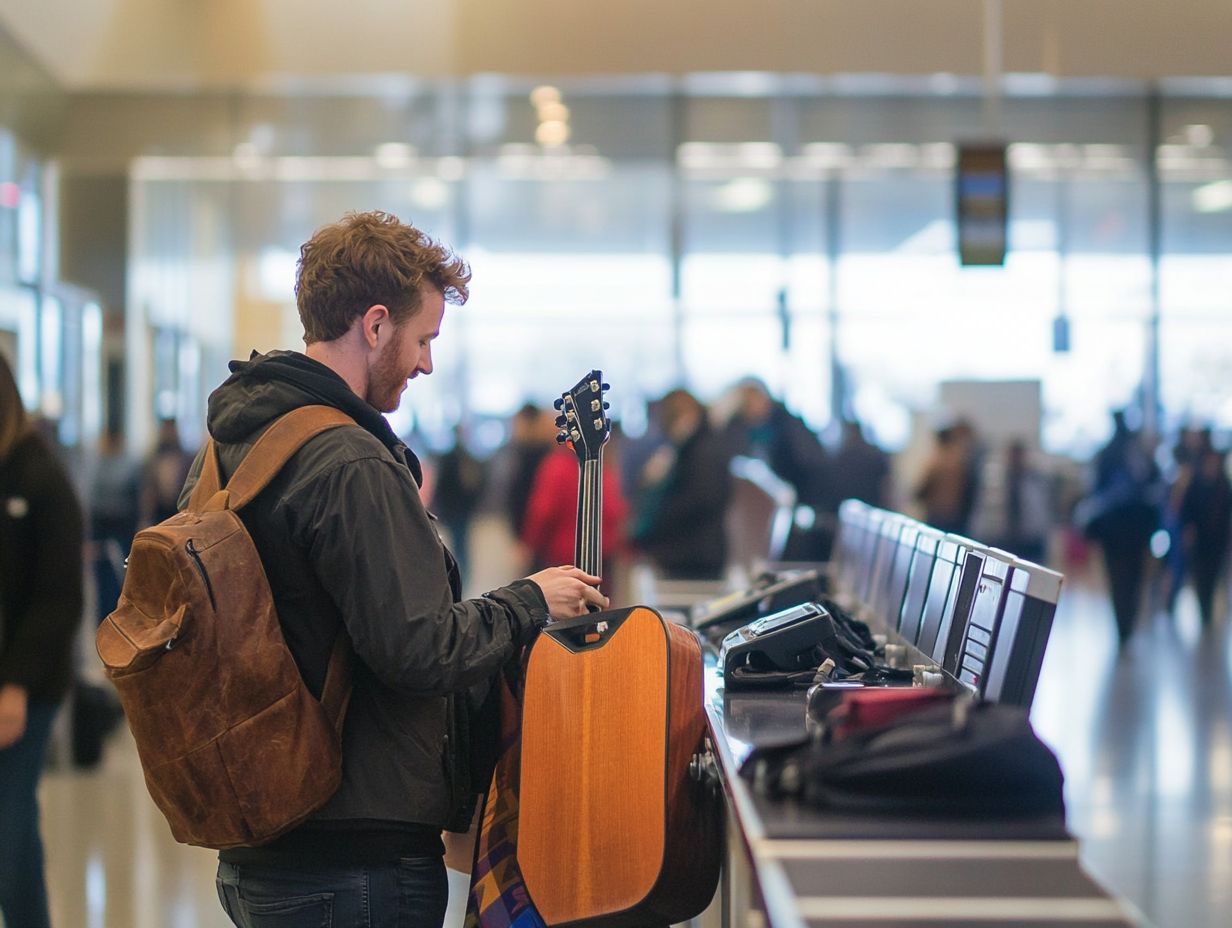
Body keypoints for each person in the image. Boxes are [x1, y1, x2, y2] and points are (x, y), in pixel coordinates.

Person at [188, 211, 607, 928]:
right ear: (375, 325)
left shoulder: (237, 444)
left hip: (264, 839)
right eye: (423, 339)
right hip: (352, 863)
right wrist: (528, 600)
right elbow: (418, 649)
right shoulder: (346, 459)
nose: (426, 364)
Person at [0, 353, 85, 928]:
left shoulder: (40, 478)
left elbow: (59, 599)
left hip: (25, 689)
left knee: (9, 836)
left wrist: (16, 686)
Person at [1079, 410, 1162, 648]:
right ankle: (1127, 626)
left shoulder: (1108, 454)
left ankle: (1122, 628)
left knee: (1119, 581)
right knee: (1134, 580)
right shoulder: (1136, 454)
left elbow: (1095, 492)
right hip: (1136, 532)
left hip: (1114, 534)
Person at [630, 388, 732, 580]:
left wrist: (661, 518)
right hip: (693, 550)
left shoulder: (702, 450)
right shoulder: (695, 446)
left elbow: (702, 499)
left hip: (695, 554)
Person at [138, 416, 196, 528]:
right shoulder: (153, 459)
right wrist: (145, 518)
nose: (168, 433)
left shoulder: (187, 459)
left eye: (171, 430)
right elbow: (147, 490)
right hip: (158, 512)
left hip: (179, 510)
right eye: (166, 430)